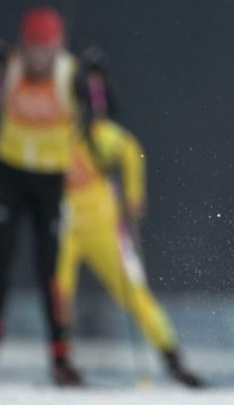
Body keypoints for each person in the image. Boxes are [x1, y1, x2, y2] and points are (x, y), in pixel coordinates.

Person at [55, 50, 205, 387]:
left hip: (102, 226)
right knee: (59, 292)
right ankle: (61, 359)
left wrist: (135, 196)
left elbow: (133, 151)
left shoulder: (100, 135)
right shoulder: (56, 135)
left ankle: (172, 357)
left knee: (135, 294)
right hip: (63, 226)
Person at [0, 6, 90, 387]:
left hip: (50, 182)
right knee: (0, 256)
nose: (39, 58)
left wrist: (98, 79)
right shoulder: (9, 69)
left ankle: (61, 356)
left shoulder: (69, 74)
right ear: (23, 45)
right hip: (10, 173)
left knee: (50, 270)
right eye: (33, 49)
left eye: (46, 50)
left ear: (58, 47)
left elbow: (103, 110)